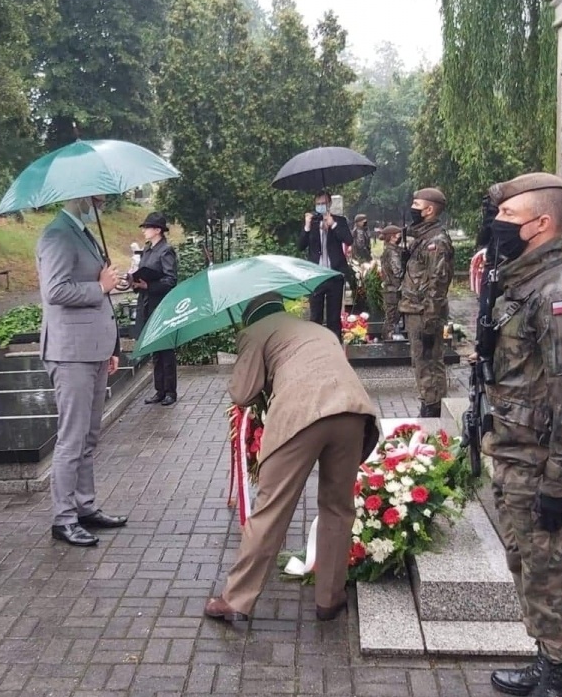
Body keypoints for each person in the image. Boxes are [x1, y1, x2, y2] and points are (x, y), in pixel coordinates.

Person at [480, 173, 562, 697]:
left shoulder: (558, 296)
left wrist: (558, 485)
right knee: (530, 567)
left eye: (509, 218)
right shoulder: (523, 287)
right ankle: (545, 658)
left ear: (541, 224)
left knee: (552, 573)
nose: (499, 226)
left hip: (544, 467)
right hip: (517, 458)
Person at [205, 294, 379, 624]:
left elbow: (242, 393)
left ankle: (236, 599)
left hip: (301, 416)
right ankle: (330, 598)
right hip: (353, 411)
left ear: (249, 315)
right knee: (338, 507)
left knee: (271, 509)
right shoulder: (317, 328)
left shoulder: (254, 332)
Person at [38, 194, 128, 547]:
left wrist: (112, 345)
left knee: (89, 436)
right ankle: (63, 518)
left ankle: (84, 507)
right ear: (77, 195)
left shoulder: (84, 232)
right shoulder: (57, 234)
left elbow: (95, 289)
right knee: (72, 438)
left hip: (93, 348)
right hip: (70, 352)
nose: (102, 200)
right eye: (97, 194)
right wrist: (100, 287)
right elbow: (55, 290)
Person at [399, 187, 454, 417]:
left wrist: (431, 322)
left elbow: (437, 284)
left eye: (416, 204)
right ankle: (432, 403)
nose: (413, 208)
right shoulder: (422, 237)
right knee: (425, 361)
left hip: (424, 313)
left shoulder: (436, 241)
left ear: (429, 209)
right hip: (415, 309)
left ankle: (431, 410)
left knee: (426, 362)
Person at [132, 212, 179, 406]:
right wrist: (135, 283)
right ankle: (159, 390)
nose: (144, 230)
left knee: (165, 349)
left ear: (157, 230)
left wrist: (149, 286)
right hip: (146, 304)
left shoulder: (166, 250)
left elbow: (170, 280)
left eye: (147, 227)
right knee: (154, 349)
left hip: (161, 305)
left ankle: (170, 391)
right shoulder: (148, 249)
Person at [297, 190, 356, 339]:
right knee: (315, 315)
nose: (321, 206)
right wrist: (307, 227)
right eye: (318, 204)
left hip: (334, 274)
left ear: (329, 204)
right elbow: (300, 246)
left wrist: (333, 225)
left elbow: (349, 240)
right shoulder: (312, 222)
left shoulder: (339, 221)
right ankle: (316, 348)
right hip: (316, 275)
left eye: (323, 203)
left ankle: (334, 347)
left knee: (333, 318)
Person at [378, 225, 405, 339]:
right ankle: (387, 342)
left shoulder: (390, 250)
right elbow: (398, 272)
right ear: (392, 237)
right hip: (394, 291)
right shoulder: (392, 253)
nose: (400, 237)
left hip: (391, 290)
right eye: (398, 235)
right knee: (392, 320)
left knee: (391, 318)